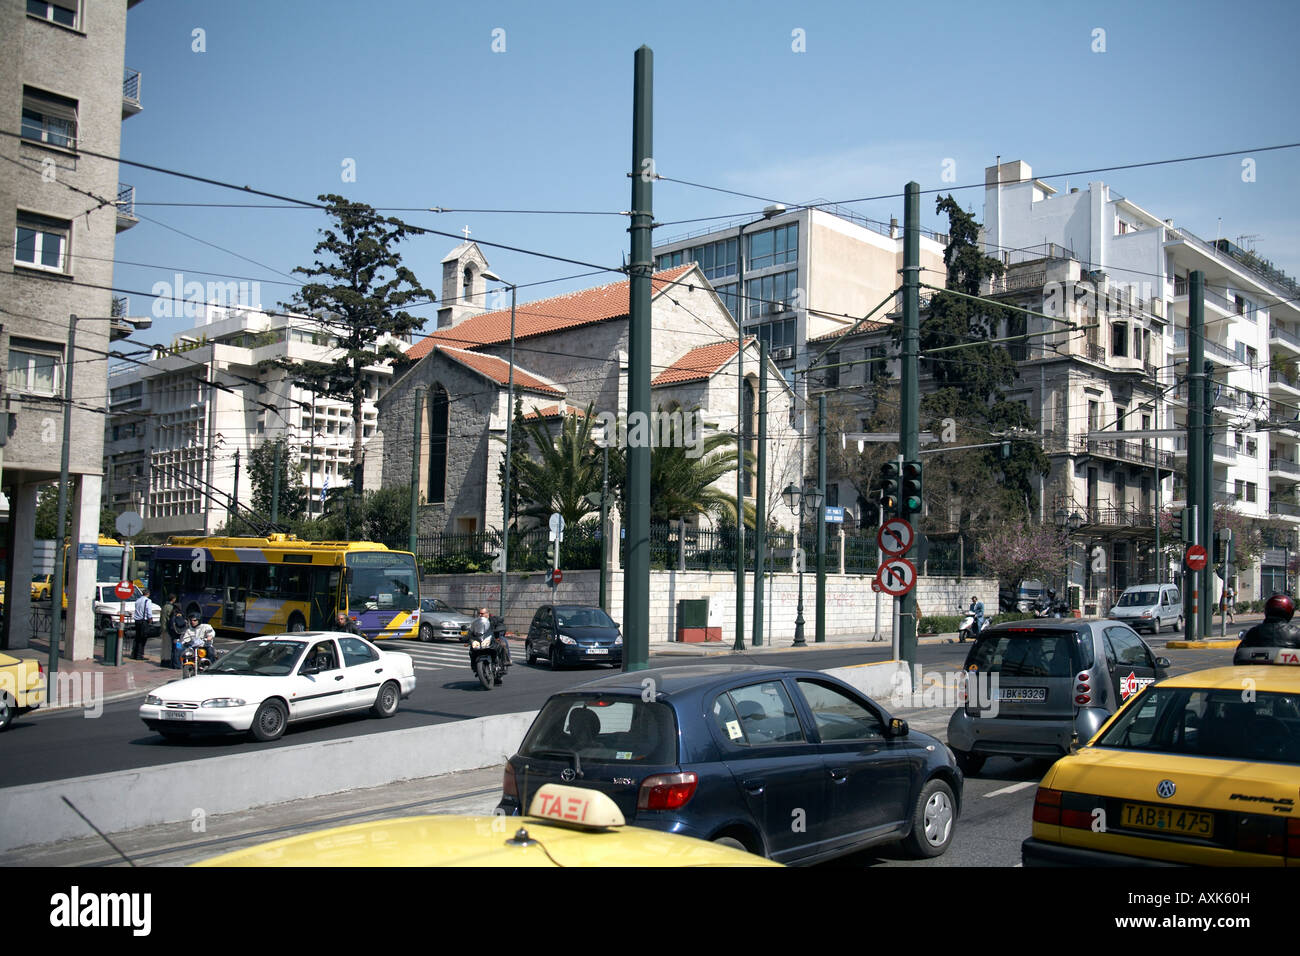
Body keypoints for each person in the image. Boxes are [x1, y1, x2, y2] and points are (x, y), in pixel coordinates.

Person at [131, 587, 153, 660]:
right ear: (148, 594)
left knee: (137, 637)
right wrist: (150, 619)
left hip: (137, 621)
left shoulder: (137, 600)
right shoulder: (148, 601)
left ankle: (134, 654)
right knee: (142, 638)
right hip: (144, 621)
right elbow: (149, 612)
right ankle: (139, 655)